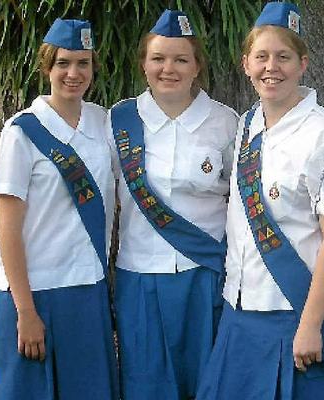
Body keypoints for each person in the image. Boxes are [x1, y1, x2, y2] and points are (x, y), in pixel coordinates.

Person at [196, 2, 324, 399]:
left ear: (303, 64)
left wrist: (310, 324)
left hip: (295, 311)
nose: (272, 67)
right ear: (246, 64)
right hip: (240, 309)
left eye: (283, 57)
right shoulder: (248, 124)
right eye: (262, 57)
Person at [106, 9, 238, 400]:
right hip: (139, 274)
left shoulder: (227, 123)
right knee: (144, 383)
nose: (169, 68)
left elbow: (242, 200)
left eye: (181, 59)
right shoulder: (119, 121)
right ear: (143, 64)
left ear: (197, 65)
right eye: (159, 58)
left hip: (204, 275)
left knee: (207, 383)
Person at [0, 18, 118, 400]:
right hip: (36, 290)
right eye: (63, 63)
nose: (73, 73)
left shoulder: (102, 122)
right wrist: (25, 312)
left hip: (87, 284)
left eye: (83, 63)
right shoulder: (21, 132)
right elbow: (7, 229)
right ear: (47, 67)